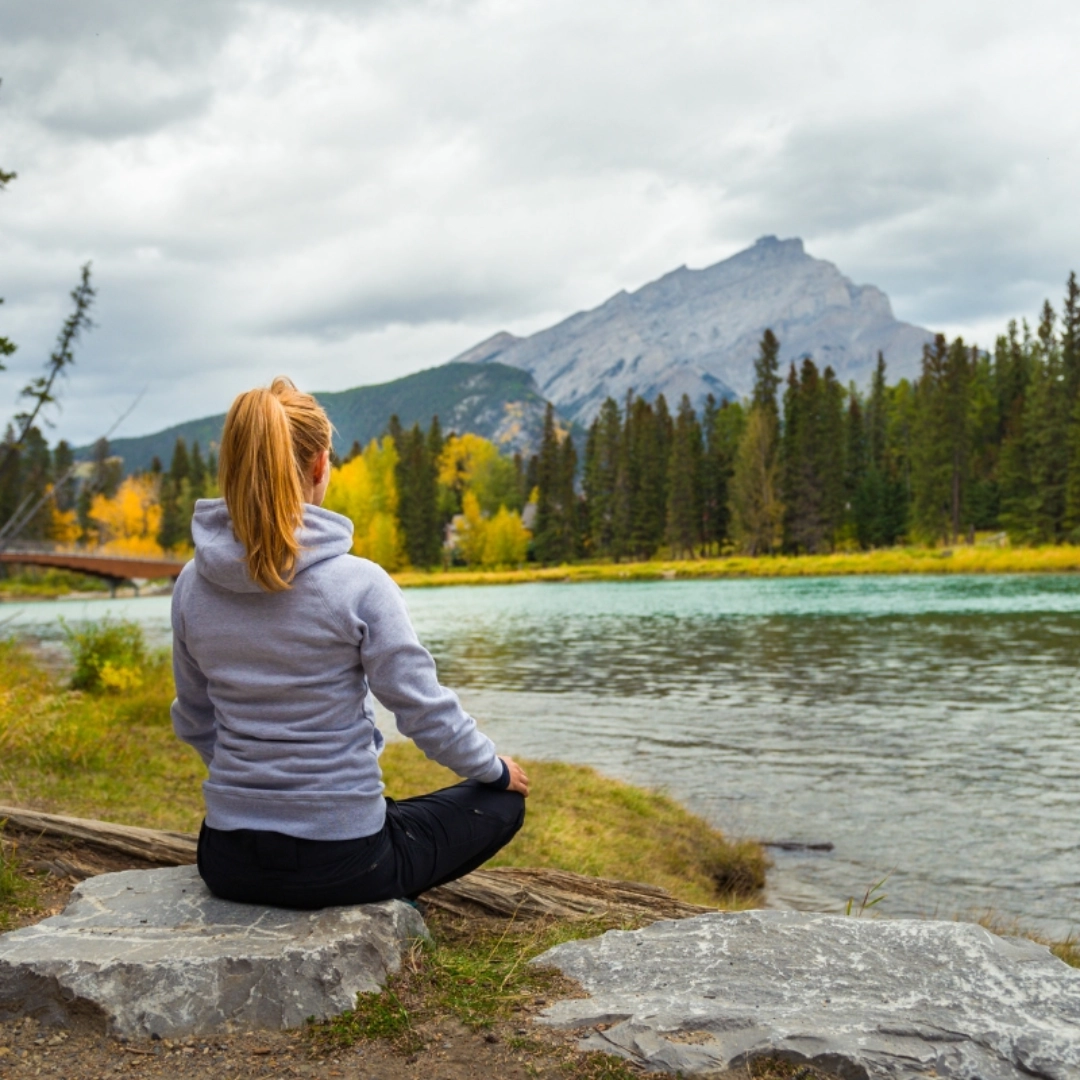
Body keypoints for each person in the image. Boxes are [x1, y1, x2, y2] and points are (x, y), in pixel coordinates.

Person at [171, 376, 528, 909]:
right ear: (320, 466)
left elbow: (195, 718)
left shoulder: (190, 585)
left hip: (227, 859)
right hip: (341, 863)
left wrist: (255, 791)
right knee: (501, 805)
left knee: (391, 811)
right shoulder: (358, 583)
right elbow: (422, 710)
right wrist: (494, 769)